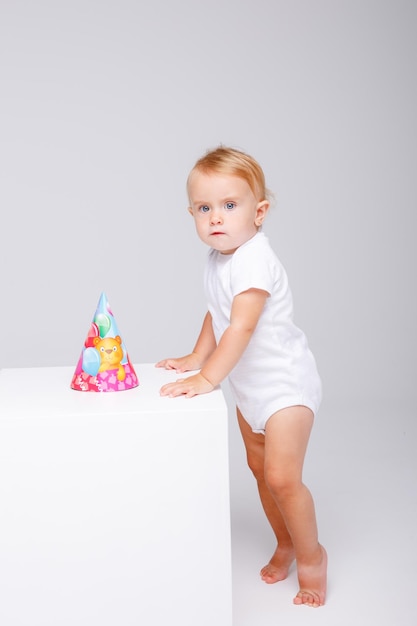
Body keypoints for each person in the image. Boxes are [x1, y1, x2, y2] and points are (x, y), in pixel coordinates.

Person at [156, 146, 327, 608]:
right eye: (204, 208)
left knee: (283, 478)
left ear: (260, 212)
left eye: (230, 205)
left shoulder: (254, 257)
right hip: (250, 388)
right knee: (260, 473)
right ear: (191, 213)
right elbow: (218, 314)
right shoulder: (219, 259)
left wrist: (208, 378)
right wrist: (197, 354)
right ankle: (285, 541)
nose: (216, 218)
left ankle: (312, 557)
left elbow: (243, 324)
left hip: (285, 387)